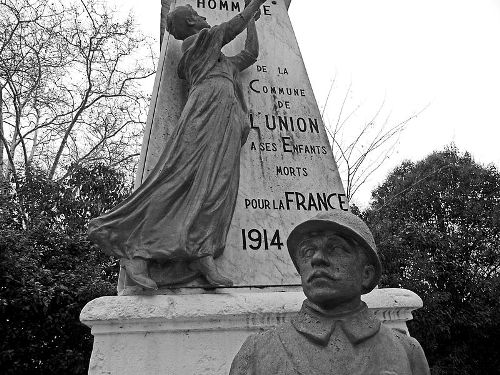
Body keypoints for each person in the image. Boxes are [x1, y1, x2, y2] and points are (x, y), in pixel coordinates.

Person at [88, 0, 267, 292]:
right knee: (178, 180)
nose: (203, 15)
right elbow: (229, 29)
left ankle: (201, 252)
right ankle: (137, 251)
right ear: (191, 25)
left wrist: (253, 22)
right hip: (205, 111)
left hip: (227, 119)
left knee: (218, 186)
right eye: (196, 14)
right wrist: (252, 5)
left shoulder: (221, 61)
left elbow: (250, 54)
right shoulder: (196, 45)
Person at [229, 210, 431, 375]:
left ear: (367, 274)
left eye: (335, 248)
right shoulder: (257, 351)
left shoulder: (406, 351)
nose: (317, 259)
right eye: (307, 251)